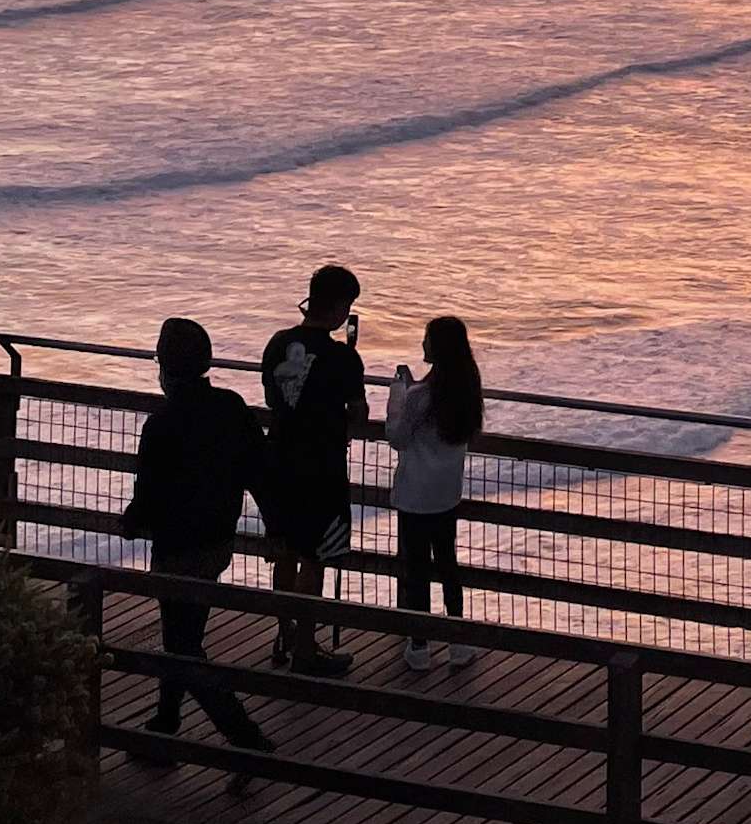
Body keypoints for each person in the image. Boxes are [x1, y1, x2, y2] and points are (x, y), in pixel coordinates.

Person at [122, 317, 277, 760]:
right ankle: (166, 722)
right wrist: (272, 528)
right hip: (217, 540)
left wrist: (132, 522)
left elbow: (147, 492)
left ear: (165, 368)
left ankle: (247, 741)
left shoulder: (163, 422)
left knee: (183, 645)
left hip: (175, 546)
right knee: (183, 634)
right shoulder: (231, 406)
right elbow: (258, 473)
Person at [258, 264, 369, 677]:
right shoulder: (342, 357)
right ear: (341, 307)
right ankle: (305, 646)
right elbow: (357, 415)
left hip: (279, 457)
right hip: (321, 466)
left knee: (285, 550)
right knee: (315, 555)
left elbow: (274, 397)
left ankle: (284, 634)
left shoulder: (277, 343)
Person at [382, 312, 483, 670]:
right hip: (446, 492)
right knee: (447, 564)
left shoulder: (419, 396)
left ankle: (420, 645)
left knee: (417, 569)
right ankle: (458, 643)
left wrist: (398, 395)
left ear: (436, 347)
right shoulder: (467, 389)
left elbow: (397, 437)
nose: (422, 343)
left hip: (415, 495)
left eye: (426, 338)